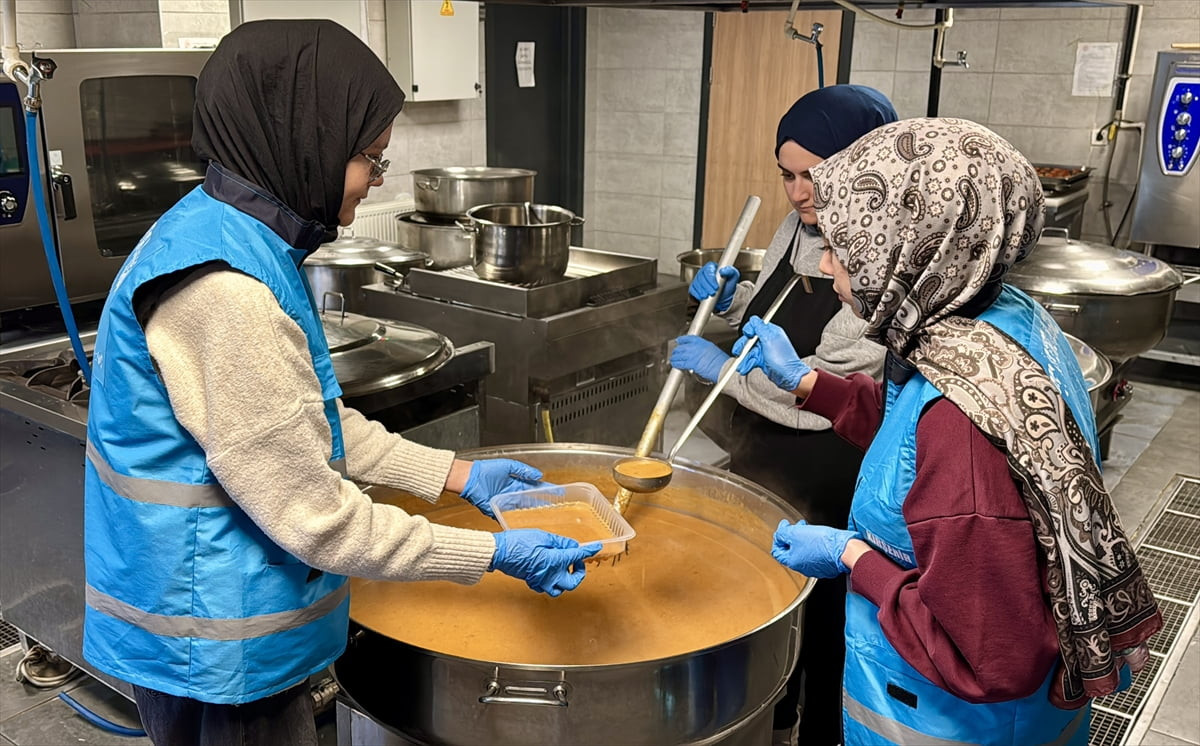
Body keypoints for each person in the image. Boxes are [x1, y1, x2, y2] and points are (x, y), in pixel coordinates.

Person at [81, 20, 598, 746]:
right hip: (218, 653)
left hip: (226, 634)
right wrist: (493, 554)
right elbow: (317, 518)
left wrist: (456, 474)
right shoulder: (224, 292)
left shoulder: (233, 234)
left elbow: (304, 428)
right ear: (305, 138)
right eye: (370, 161)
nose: (371, 183)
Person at [734, 117, 1163, 745]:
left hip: (952, 724)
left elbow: (989, 657)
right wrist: (807, 382)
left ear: (910, 247)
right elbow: (910, 434)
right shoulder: (996, 320)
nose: (826, 266)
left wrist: (851, 556)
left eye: (843, 247)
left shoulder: (964, 429)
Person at [669, 84, 895, 744]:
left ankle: (821, 729)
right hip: (761, 448)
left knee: (823, 615)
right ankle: (774, 714)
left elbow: (827, 400)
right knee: (760, 592)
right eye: (787, 175)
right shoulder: (797, 226)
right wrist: (732, 301)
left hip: (830, 467)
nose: (798, 194)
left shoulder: (881, 252)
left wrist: (725, 372)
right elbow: (769, 326)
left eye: (813, 175)